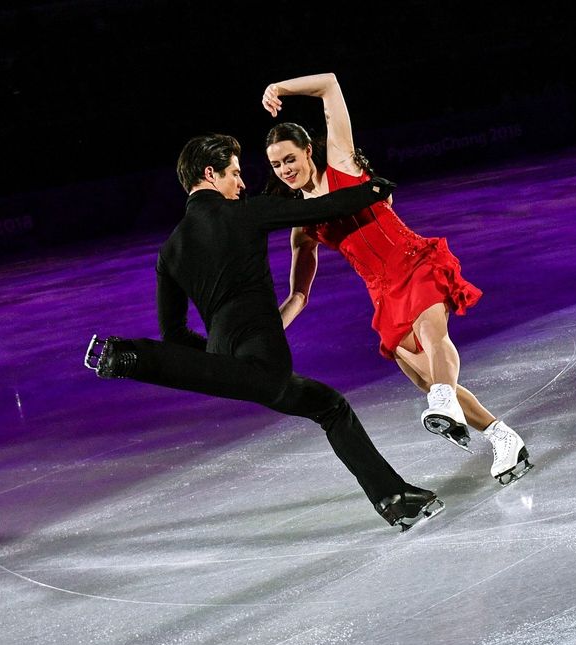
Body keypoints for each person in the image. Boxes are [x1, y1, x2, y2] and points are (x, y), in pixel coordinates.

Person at [83, 133, 442, 531]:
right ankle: (132, 356)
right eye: (234, 174)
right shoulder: (244, 213)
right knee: (327, 406)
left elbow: (176, 333)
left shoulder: (170, 250)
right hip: (264, 359)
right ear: (210, 174)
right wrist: (372, 189)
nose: (242, 183)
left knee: (330, 406)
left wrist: (221, 358)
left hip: (228, 361)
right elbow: (322, 207)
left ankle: (393, 497)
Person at [260, 72, 533, 486]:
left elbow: (330, 85)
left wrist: (280, 88)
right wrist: (268, 332)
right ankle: (503, 437)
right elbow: (298, 294)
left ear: (309, 151)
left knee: (433, 335)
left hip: (412, 260)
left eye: (290, 159)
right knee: (429, 379)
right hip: (382, 293)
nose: (285, 170)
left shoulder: (340, 162)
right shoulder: (302, 225)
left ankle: (445, 403)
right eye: (276, 165)